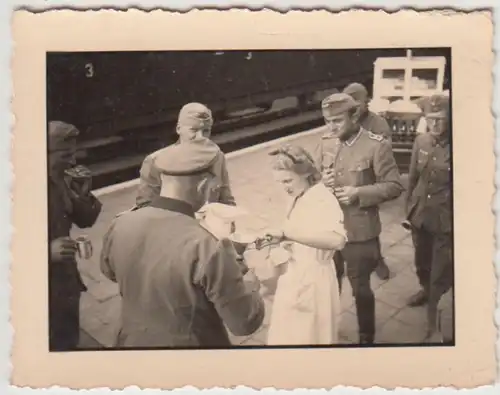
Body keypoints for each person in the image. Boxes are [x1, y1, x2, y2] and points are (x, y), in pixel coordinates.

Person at [100, 137, 265, 348]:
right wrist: (250, 280)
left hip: (130, 343)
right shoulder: (209, 246)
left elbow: (109, 271)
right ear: (204, 186)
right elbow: (244, 323)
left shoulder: (120, 223)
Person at [312, 93, 404, 344]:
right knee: (330, 283)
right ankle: (329, 328)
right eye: (327, 121)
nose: (331, 127)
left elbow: (394, 186)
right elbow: (312, 179)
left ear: (354, 116)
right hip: (329, 231)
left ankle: (366, 337)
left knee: (361, 288)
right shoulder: (325, 141)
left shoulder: (376, 145)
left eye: (337, 121)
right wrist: (321, 182)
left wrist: (358, 193)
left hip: (360, 233)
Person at [259, 144, 347, 345]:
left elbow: (337, 240)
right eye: (279, 182)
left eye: (288, 180)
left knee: (309, 336)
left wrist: (287, 234)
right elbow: (301, 233)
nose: (284, 187)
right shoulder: (298, 195)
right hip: (296, 274)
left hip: (315, 280)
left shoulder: (322, 199)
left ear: (305, 173)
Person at [48, 121, 103, 351]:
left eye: (73, 154)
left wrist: (83, 194)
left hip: (65, 282)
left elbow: (85, 220)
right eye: (65, 155)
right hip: (37, 288)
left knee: (67, 336)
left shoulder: (60, 179)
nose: (72, 162)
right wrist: (46, 252)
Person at [404, 94, 453, 341]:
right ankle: (425, 291)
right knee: (421, 262)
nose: (434, 125)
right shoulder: (421, 141)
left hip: (444, 219)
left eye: (440, 119)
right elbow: (412, 177)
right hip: (420, 215)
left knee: (439, 271)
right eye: (430, 119)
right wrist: (408, 208)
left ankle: (433, 323)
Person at [136, 102, 235, 208]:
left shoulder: (217, 157)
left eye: (206, 131)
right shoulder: (154, 161)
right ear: (178, 129)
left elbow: (226, 201)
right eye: (193, 130)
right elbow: (145, 206)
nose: (200, 137)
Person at [343, 82, 392, 280]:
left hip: (368, 182)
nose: (353, 107)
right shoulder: (343, 121)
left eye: (358, 102)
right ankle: (349, 259)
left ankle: (377, 260)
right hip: (346, 180)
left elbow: (382, 158)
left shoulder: (378, 124)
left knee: (369, 227)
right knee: (344, 223)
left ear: (368, 101)